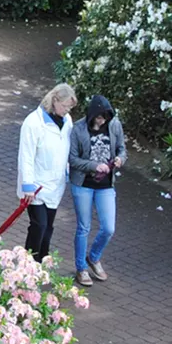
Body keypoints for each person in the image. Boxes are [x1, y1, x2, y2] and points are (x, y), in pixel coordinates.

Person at [67, 94, 125, 285]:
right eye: (99, 117)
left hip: (105, 185)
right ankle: (81, 268)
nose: (102, 121)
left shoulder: (114, 125)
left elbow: (122, 150)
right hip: (83, 184)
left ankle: (94, 257)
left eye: (105, 117)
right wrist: (93, 165)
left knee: (109, 227)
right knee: (84, 227)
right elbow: (73, 159)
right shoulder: (78, 129)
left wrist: (120, 159)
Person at [16, 83, 76, 265]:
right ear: (55, 100)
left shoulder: (67, 122)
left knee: (48, 227)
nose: (67, 111)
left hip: (55, 185)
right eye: (65, 106)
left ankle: (42, 262)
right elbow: (26, 156)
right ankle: (28, 265)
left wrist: (65, 172)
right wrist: (28, 186)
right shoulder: (33, 123)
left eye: (70, 108)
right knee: (39, 225)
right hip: (35, 186)